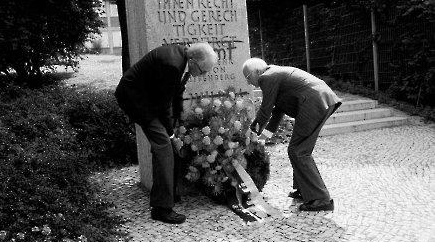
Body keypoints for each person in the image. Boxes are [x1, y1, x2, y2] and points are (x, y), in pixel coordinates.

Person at [115, 43, 218, 224]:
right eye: (202, 71)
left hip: (148, 99)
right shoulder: (172, 64)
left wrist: (180, 121)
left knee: (170, 143)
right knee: (163, 145)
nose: (202, 76)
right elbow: (164, 105)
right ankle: (161, 208)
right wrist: (171, 133)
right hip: (135, 99)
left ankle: (169, 193)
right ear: (193, 61)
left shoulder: (183, 59)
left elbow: (176, 94)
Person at [242, 58, 341, 212]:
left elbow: (265, 110)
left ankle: (321, 198)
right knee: (298, 150)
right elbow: (276, 113)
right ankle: (304, 189)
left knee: (298, 151)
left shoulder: (266, 77)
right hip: (320, 99)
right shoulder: (275, 74)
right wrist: (263, 138)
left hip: (314, 102)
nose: (249, 83)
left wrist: (252, 131)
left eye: (247, 77)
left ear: (255, 72)